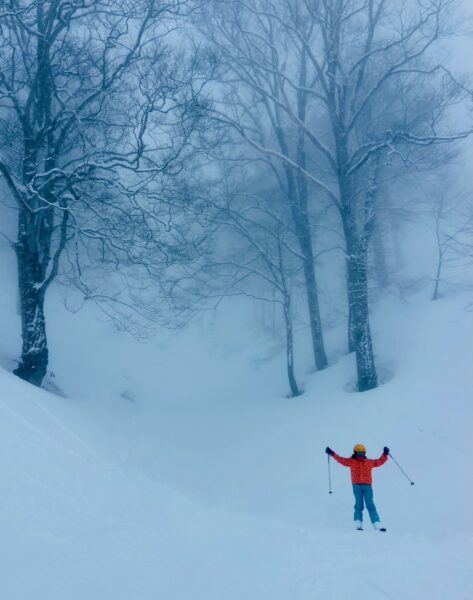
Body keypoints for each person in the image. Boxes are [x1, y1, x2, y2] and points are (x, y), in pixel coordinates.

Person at [325, 443, 389, 531]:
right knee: (359, 505)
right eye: (359, 453)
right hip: (356, 486)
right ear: (355, 453)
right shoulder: (351, 461)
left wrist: (385, 454)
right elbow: (340, 459)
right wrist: (332, 453)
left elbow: (379, 461)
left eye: (362, 453)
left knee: (370, 504)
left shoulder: (368, 462)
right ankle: (358, 523)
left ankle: (376, 524)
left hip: (367, 486)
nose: (361, 455)